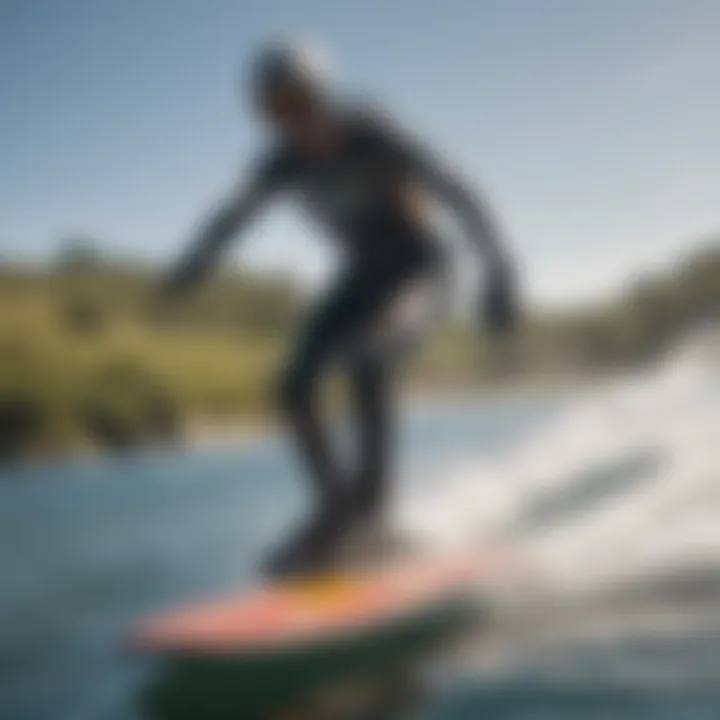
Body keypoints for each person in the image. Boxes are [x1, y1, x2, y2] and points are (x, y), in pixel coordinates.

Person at [160, 39, 518, 577]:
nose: (292, 123)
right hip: (363, 276)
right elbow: (232, 216)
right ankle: (336, 508)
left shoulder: (372, 132)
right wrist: (193, 265)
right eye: (276, 111)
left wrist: (500, 269)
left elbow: (455, 188)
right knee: (292, 387)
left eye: (299, 104)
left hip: (422, 267)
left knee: (368, 362)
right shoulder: (280, 161)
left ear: (323, 97)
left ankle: (375, 521)